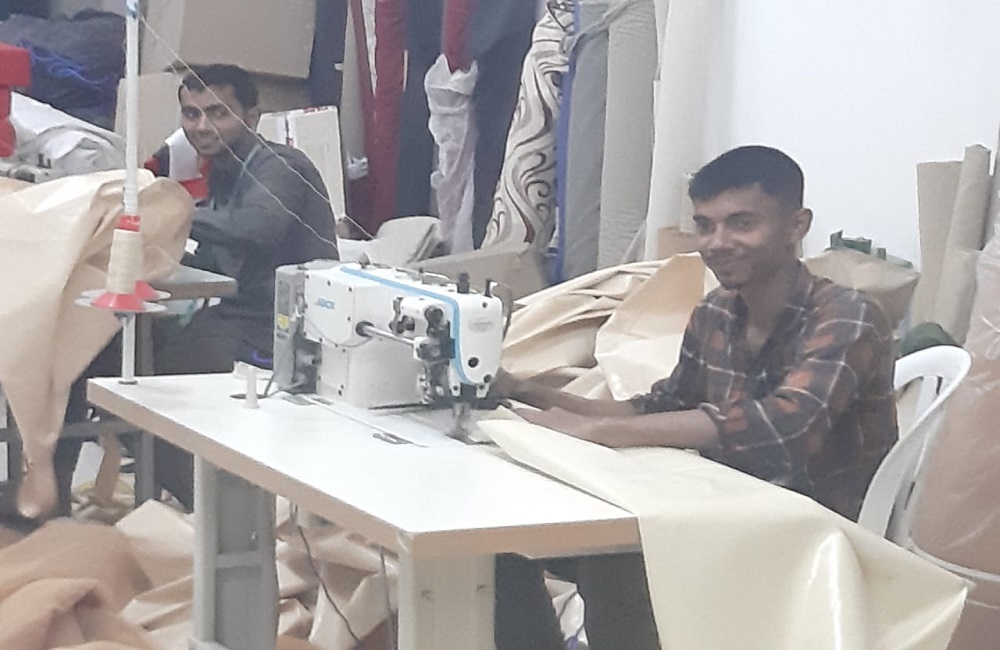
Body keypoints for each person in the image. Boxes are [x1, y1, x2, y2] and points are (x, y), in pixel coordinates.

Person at [490, 145, 898, 650]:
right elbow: (661, 406)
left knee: (616, 565)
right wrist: (523, 390)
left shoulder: (847, 315)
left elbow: (785, 427)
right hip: (719, 513)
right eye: (705, 226)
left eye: (741, 223)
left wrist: (600, 431)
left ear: (797, 225)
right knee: (500, 546)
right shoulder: (717, 313)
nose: (717, 243)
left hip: (814, 540)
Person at [72, 64, 339, 512]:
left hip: (280, 327)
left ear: (252, 116)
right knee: (96, 353)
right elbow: (214, 256)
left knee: (145, 383)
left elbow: (256, 229)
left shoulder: (280, 166)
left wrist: (165, 210)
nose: (202, 126)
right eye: (191, 114)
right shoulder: (224, 172)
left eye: (218, 113)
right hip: (237, 313)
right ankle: (47, 492)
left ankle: (218, 512)